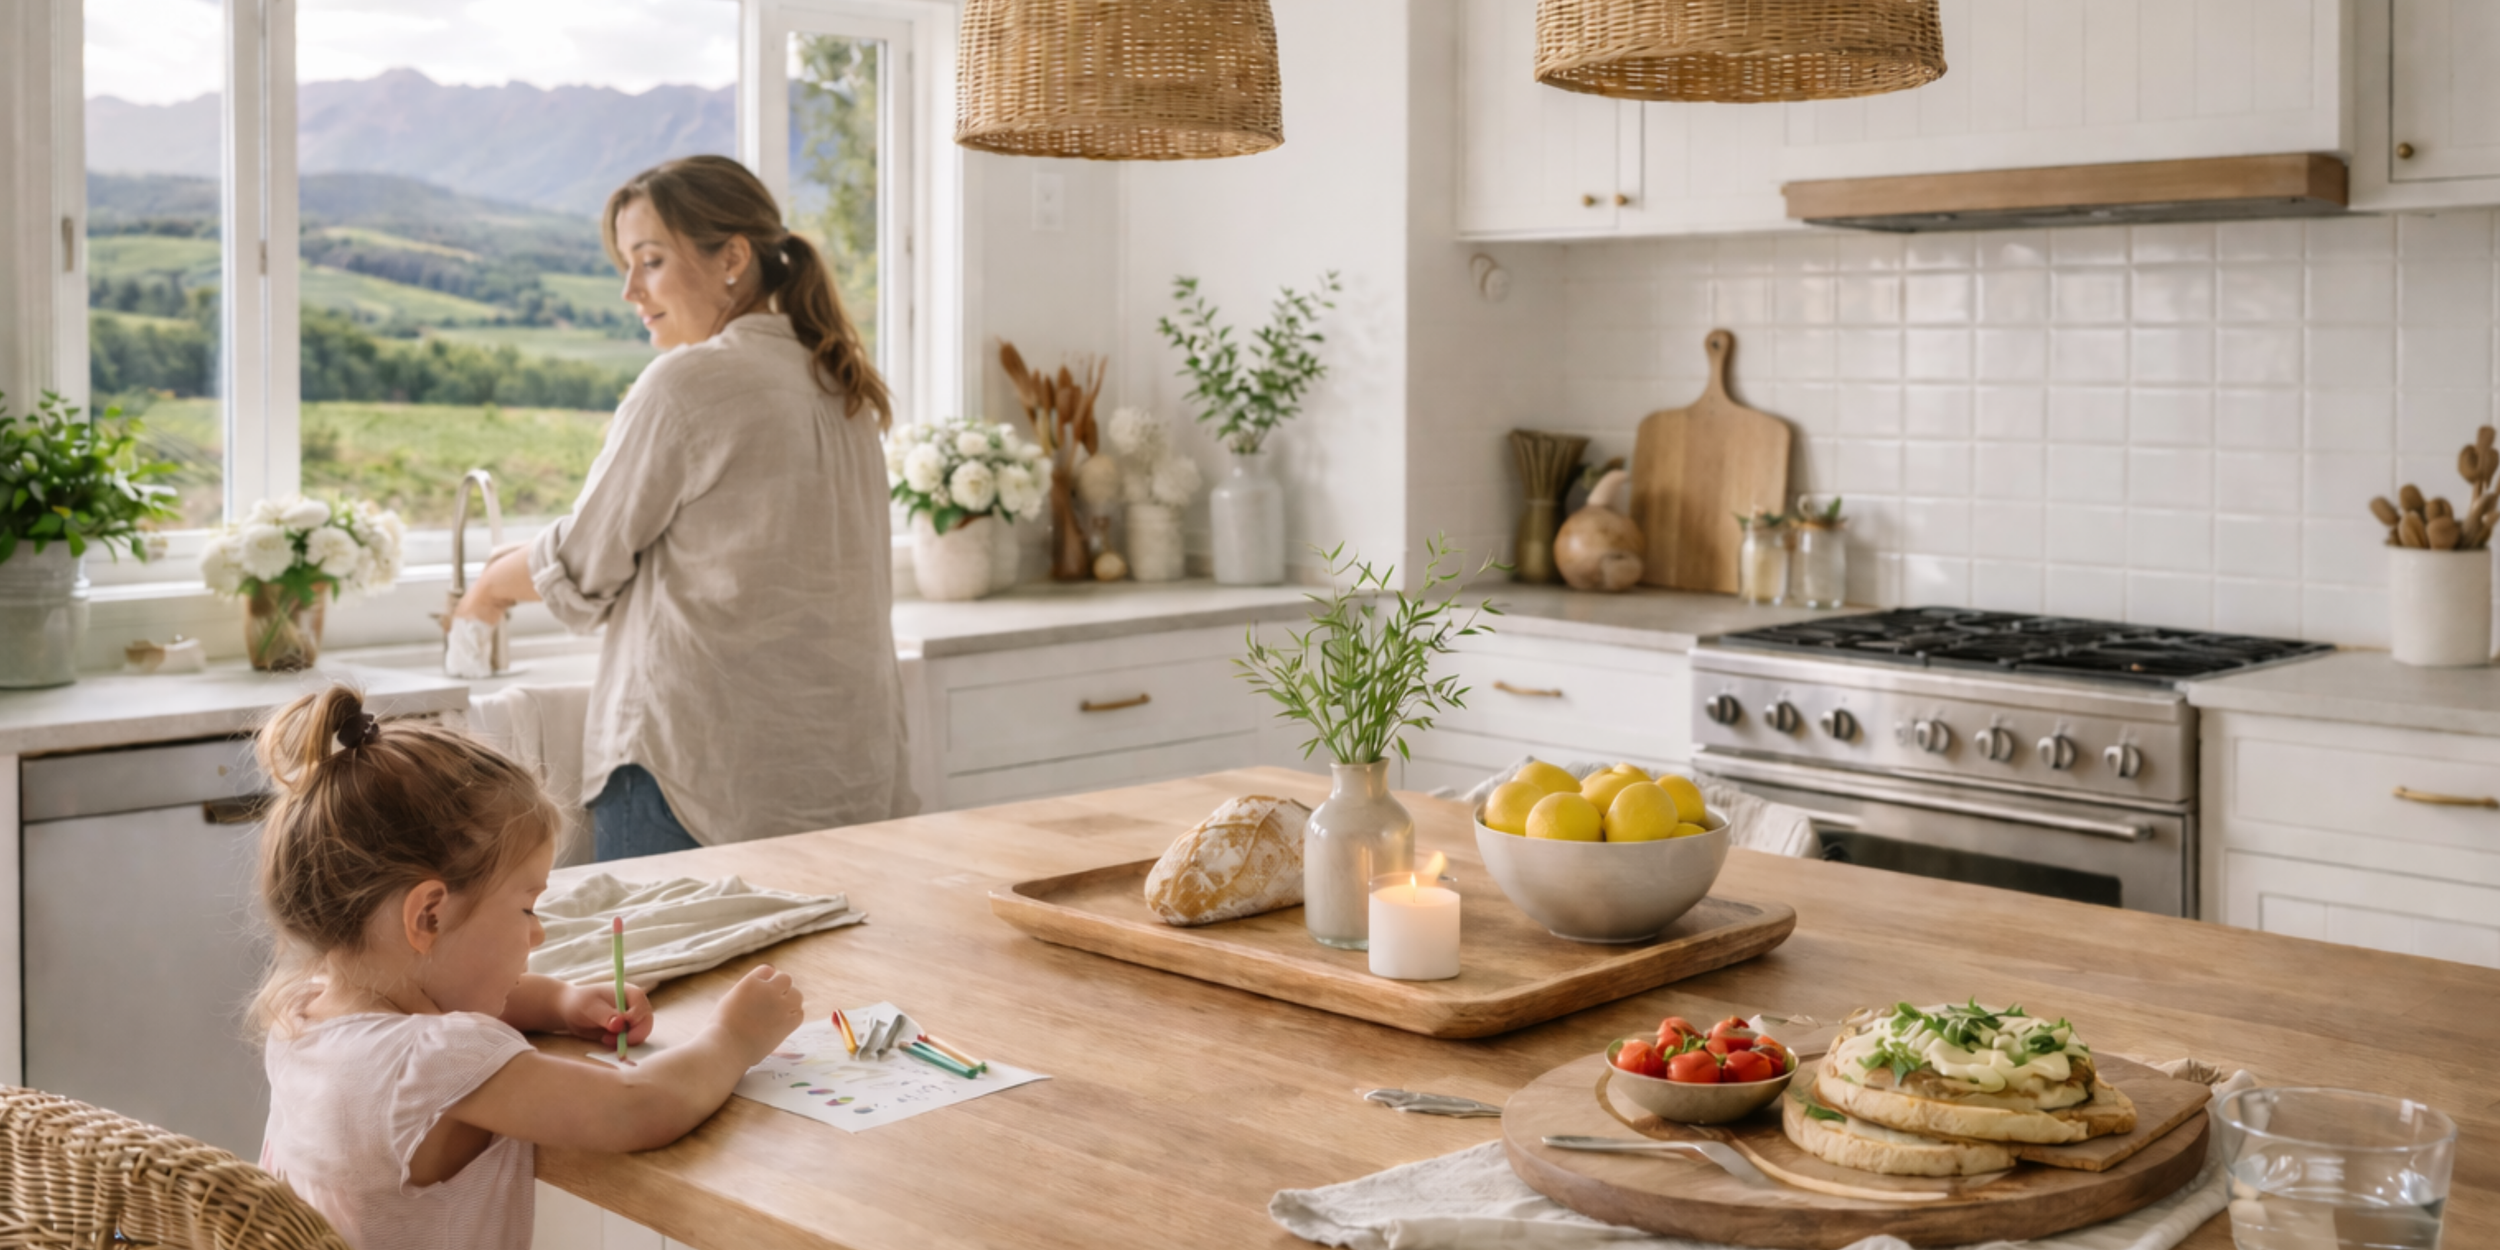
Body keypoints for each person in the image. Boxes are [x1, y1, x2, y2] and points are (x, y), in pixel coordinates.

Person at [454, 154, 913, 860]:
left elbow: (585, 562)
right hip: (844, 777)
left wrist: (488, 588)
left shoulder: (689, 384)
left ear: (732, 256)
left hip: (696, 780)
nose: (630, 290)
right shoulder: (839, 382)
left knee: (656, 975)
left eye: (650, 261)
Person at [253, 686, 806, 1248]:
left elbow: (429, 1010)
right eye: (525, 907)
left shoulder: (304, 1009)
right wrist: (734, 1037)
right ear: (429, 916)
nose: (537, 931)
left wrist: (560, 1003)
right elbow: (636, 1109)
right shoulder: (435, 1062)